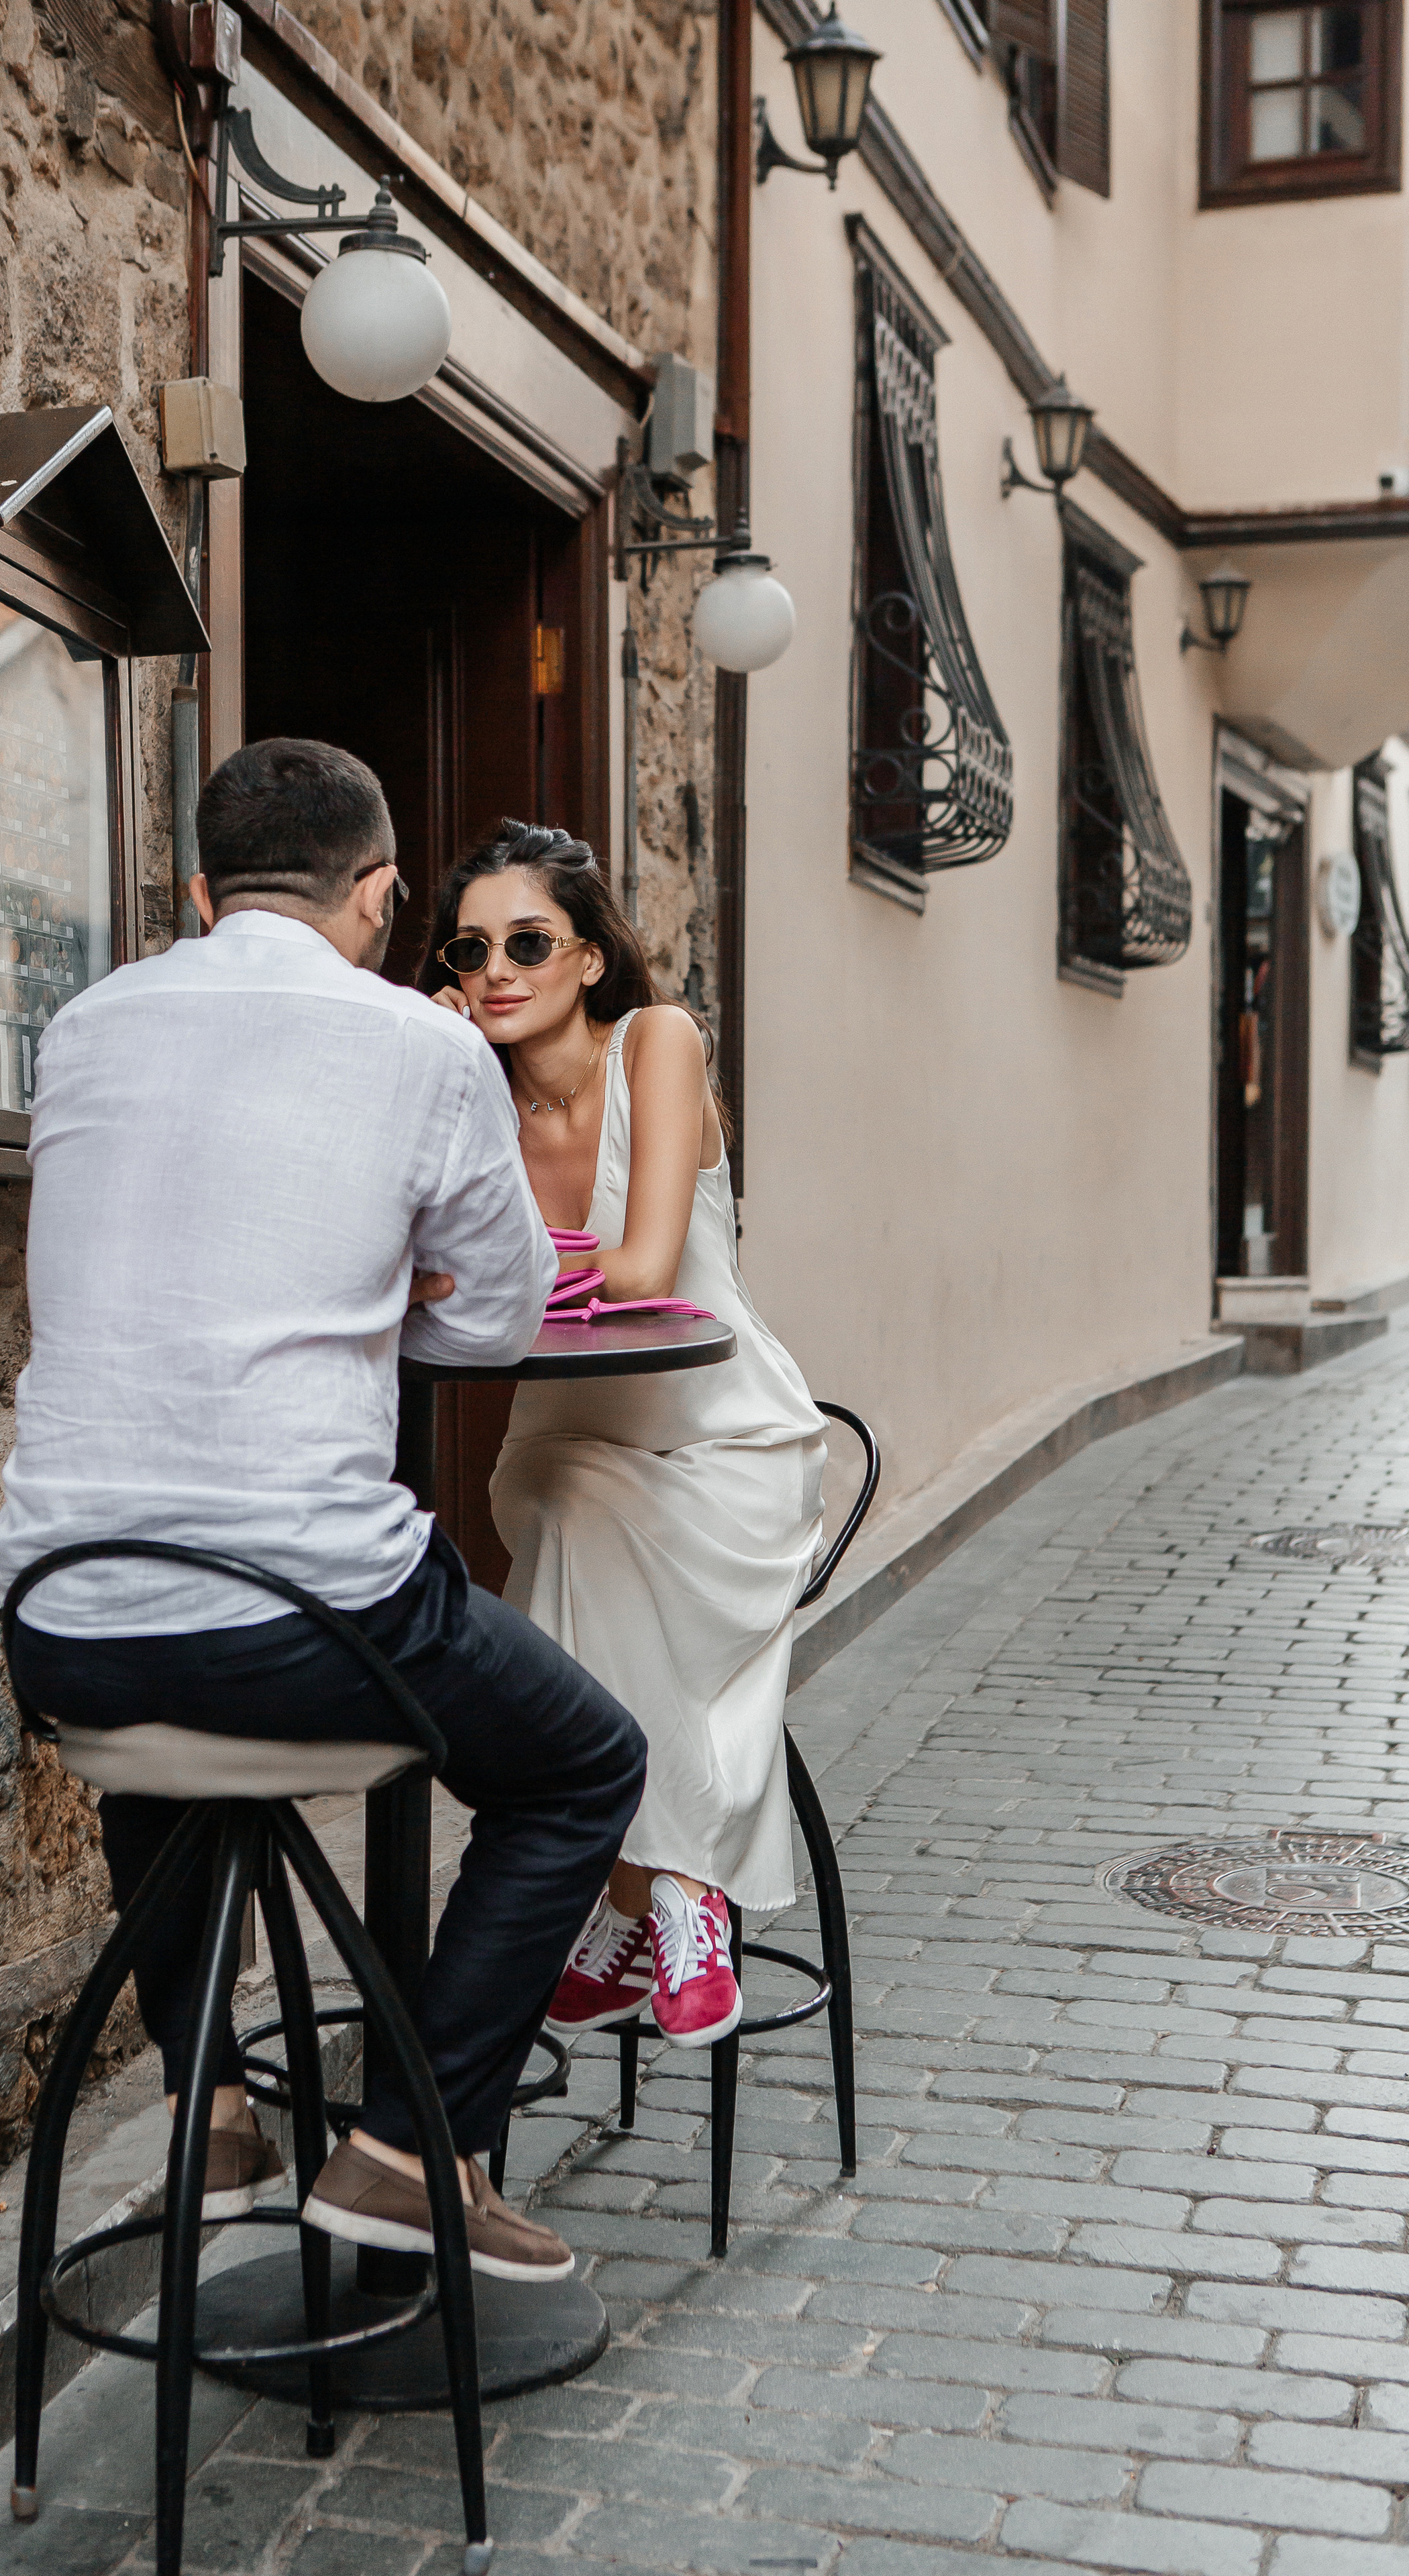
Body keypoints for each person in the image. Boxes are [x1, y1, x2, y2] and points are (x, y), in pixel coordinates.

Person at [0, 743, 647, 2282]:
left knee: (159, 1671)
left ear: (199, 895)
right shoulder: (422, 1049)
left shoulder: (84, 1025)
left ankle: (212, 2108)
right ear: (380, 893)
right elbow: (493, 1320)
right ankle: (409, 2154)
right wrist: (376, 1291)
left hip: (62, 1617)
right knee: (584, 1764)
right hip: (306, 1622)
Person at [424, 822, 826, 2050]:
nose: (498, 970)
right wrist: (439, 1062)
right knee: (568, 1510)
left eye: (528, 942)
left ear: (590, 957)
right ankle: (675, 1899)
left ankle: (634, 1893)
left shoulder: (659, 1043)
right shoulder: (471, 1086)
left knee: (576, 1540)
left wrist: (488, 1272)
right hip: (562, 1449)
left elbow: (646, 1268)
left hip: (728, 1448)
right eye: (470, 951)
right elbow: (416, 1267)